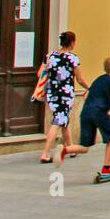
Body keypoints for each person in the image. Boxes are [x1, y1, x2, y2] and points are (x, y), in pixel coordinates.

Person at [61, 57, 110, 173]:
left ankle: (65, 150)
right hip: (100, 113)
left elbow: (86, 96)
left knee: (84, 147)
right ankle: (107, 167)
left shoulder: (98, 80)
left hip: (86, 113)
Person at [38, 31, 90, 164]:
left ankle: (71, 148)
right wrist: (90, 88)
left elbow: (40, 74)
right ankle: (45, 153)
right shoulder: (73, 58)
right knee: (57, 122)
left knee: (63, 120)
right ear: (72, 42)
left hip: (52, 93)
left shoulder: (50, 56)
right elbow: (79, 79)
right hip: (65, 94)